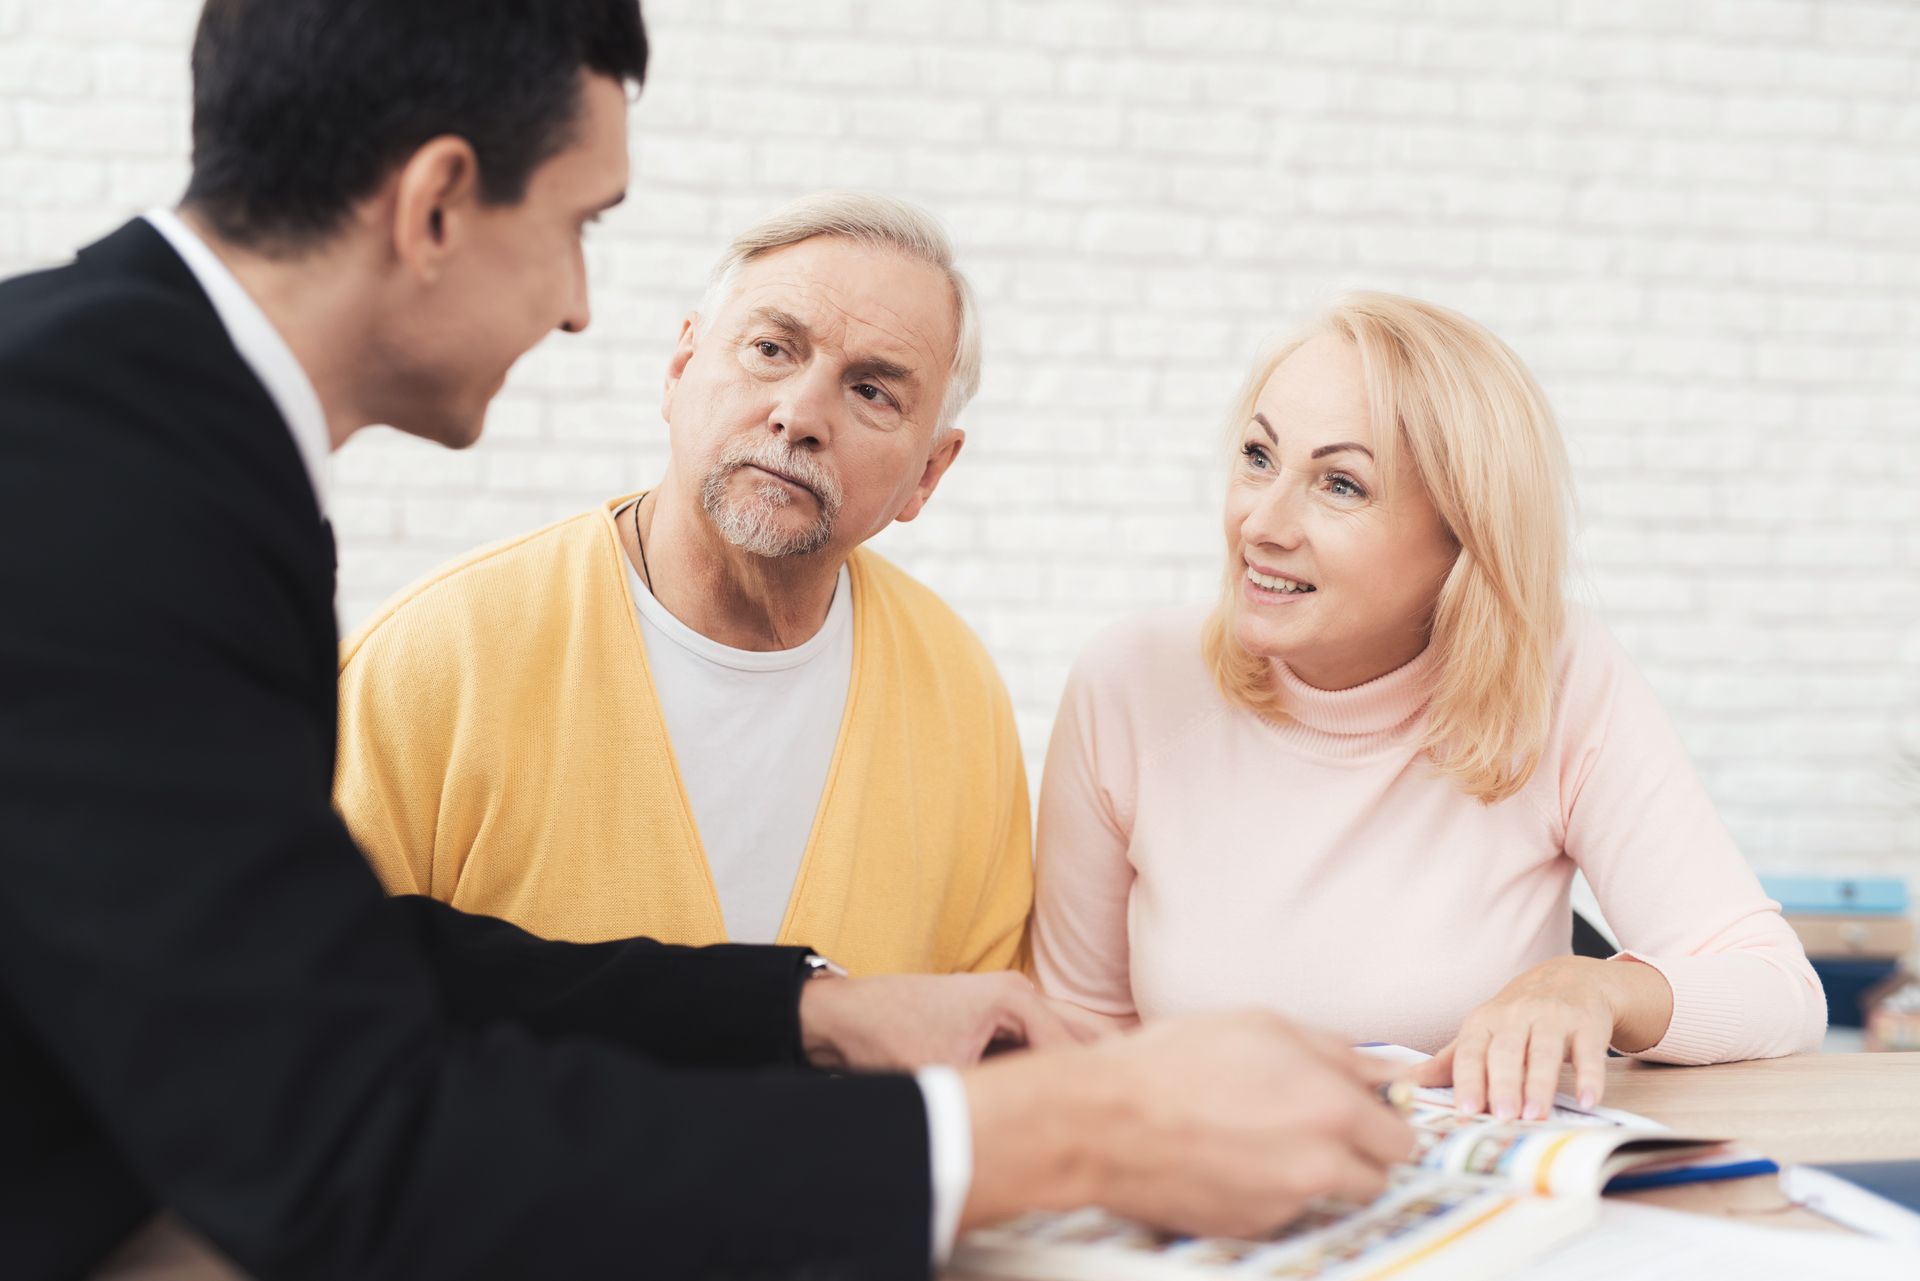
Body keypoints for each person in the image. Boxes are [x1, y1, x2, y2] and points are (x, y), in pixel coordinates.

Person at [0, 4, 1414, 1278]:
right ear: (436, 204)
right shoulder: (103, 480)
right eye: (580, 226)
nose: (575, 303)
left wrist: (805, 1009)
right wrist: (1059, 1136)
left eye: (872, 390)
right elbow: (344, 1144)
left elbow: (333, 955)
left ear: (933, 470)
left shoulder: (118, 412)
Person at [1032, 291, 1827, 1125]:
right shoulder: (1128, 684)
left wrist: (1596, 984)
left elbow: (1779, 989)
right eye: (1259, 457)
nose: (1260, 523)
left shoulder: (1557, 677)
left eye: (1339, 484)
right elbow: (1081, 1032)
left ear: (1461, 537)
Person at [334, 192, 1030, 976]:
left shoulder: (958, 691)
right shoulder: (429, 663)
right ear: (679, 369)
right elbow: (300, 1012)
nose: (798, 414)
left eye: (872, 391)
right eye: (771, 349)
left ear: (929, 474)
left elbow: (988, 1052)